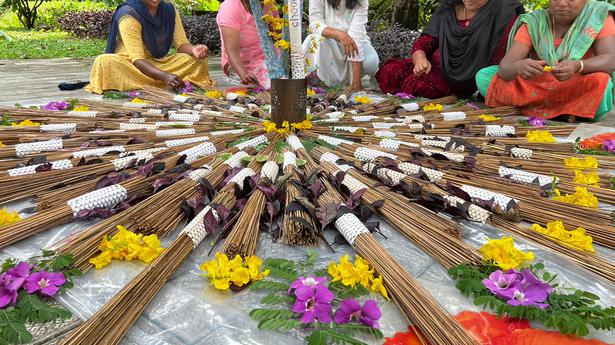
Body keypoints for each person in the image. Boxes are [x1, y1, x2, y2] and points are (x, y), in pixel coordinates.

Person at [476, 0, 615, 121]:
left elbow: (610, 60)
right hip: (538, 82)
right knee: (485, 76)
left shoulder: (598, 16)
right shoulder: (534, 22)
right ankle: (566, 111)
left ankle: (528, 107)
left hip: (576, 82)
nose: (562, 3)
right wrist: (519, 66)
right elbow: (505, 68)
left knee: (602, 82)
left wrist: (578, 66)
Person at [376, 0, 524, 99]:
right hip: (435, 69)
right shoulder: (447, 11)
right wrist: (420, 60)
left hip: (469, 77)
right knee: (389, 71)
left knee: (417, 86)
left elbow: (504, 56)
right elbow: (423, 44)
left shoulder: (504, 11)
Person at [86, 0, 211, 94]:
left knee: (198, 60)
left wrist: (193, 50)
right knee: (104, 61)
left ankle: (154, 81)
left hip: (158, 63)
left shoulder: (169, 10)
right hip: (132, 65)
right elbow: (138, 60)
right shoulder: (128, 14)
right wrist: (165, 76)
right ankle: (162, 81)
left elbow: (182, 44)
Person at [303, 0, 379, 91]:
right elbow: (315, 24)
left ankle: (350, 81)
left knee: (370, 62)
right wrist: (340, 35)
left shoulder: (361, 1)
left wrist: (356, 84)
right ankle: (322, 81)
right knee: (312, 41)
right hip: (328, 39)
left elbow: (357, 37)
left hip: (353, 42)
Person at [217, 0, 270, 88]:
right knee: (274, 84)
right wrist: (244, 74)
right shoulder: (230, 6)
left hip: (269, 58)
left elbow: (277, 38)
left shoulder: (269, 4)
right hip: (241, 63)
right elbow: (231, 50)